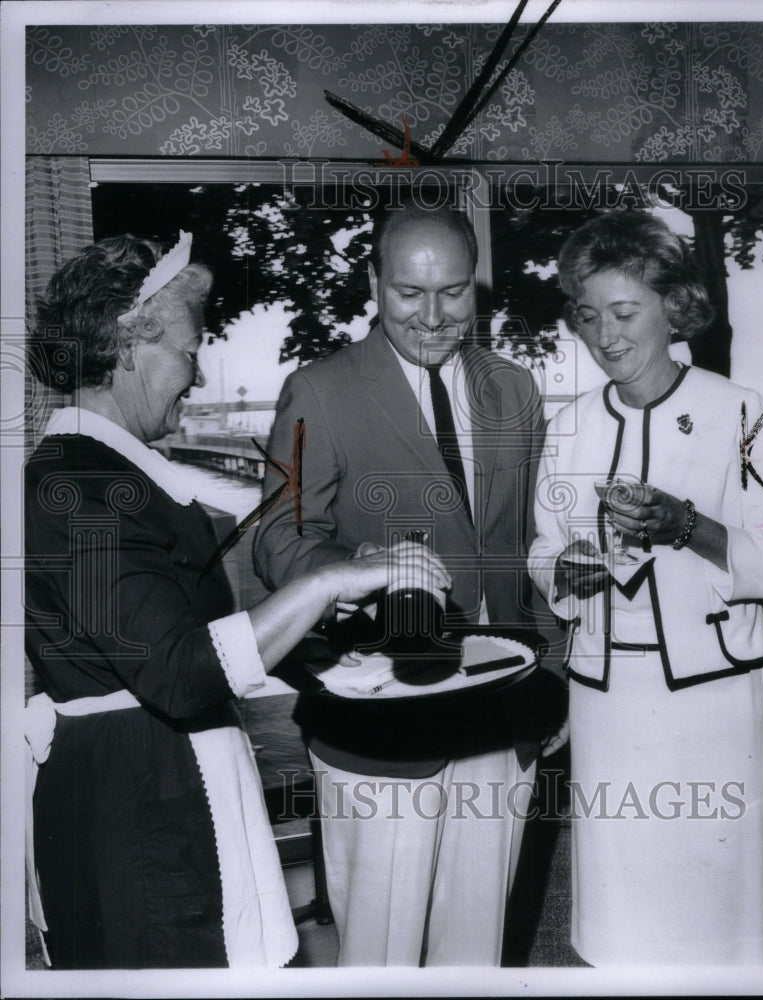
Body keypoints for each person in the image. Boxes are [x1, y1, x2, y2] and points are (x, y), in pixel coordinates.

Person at [24, 232, 449, 970]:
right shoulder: (80, 492)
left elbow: (174, 623)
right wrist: (322, 582)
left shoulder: (97, 474)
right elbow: (183, 673)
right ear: (128, 345)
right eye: (190, 349)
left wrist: (321, 608)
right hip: (142, 809)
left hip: (155, 789)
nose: (197, 373)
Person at [253, 200, 554, 966]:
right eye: (407, 293)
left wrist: (553, 668)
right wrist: (350, 574)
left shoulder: (514, 389)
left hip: (500, 712)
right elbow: (279, 535)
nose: (430, 315)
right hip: (380, 715)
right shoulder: (318, 390)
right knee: (379, 956)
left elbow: (524, 544)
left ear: (475, 286)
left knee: (476, 953)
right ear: (373, 282)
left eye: (451, 292)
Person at [528, 210, 763, 965]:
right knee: (623, 919)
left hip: (710, 699)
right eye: (587, 315)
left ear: (671, 308)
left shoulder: (743, 414)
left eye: (623, 312)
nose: (604, 336)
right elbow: (543, 551)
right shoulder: (569, 426)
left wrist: (687, 527)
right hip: (607, 700)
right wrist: (564, 575)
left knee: (716, 915)